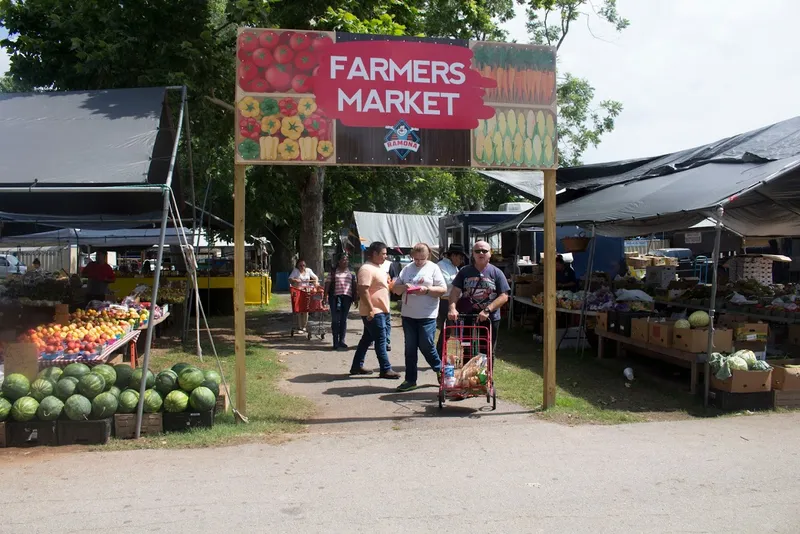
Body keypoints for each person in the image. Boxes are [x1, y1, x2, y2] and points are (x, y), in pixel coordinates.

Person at [392, 243, 446, 392]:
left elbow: (442, 289)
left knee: (426, 344)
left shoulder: (433, 268)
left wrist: (427, 290)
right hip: (408, 315)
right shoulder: (407, 269)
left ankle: (439, 369)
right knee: (410, 348)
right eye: (415, 259)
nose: (418, 262)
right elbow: (395, 289)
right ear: (412, 256)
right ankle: (410, 380)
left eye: (421, 259)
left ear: (427, 256)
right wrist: (405, 287)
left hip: (427, 314)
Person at [447, 241, 510, 355]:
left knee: (486, 350)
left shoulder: (496, 273)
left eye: (484, 251)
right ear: (473, 254)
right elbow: (455, 292)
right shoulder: (464, 271)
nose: (481, 253)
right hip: (467, 315)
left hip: (489, 317)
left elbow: (504, 296)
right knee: (466, 347)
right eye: (477, 251)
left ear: (490, 254)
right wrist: (452, 308)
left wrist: (487, 310)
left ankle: (484, 372)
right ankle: (468, 372)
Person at [350, 241, 400, 379]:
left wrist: (391, 285)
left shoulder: (378, 268)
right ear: (374, 254)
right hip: (374, 312)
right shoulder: (366, 269)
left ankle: (356, 366)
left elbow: (383, 287)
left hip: (381, 310)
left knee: (366, 339)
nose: (386, 256)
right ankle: (385, 369)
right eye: (383, 254)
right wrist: (371, 309)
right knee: (381, 339)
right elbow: (363, 290)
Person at [436, 244, 467, 357]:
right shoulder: (441, 266)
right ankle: (439, 355)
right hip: (445, 300)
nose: (461, 260)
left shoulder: (454, 267)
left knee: (451, 331)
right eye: (460, 257)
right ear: (453, 255)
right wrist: (461, 280)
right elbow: (447, 284)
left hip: (455, 301)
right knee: (447, 330)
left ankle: (441, 355)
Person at [323, 252, 357, 351]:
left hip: (347, 298)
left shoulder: (351, 272)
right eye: (343, 259)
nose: (345, 261)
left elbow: (354, 286)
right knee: (335, 320)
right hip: (334, 298)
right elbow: (328, 283)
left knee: (343, 319)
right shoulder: (333, 272)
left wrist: (355, 298)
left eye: (346, 259)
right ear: (339, 261)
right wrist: (325, 296)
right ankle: (335, 342)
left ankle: (342, 340)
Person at [289, 258, 319, 334]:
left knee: (306, 309)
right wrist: (295, 280)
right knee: (299, 310)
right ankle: (299, 327)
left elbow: (315, 277)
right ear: (298, 266)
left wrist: (316, 282)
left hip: (307, 291)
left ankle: (304, 326)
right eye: (300, 265)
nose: (302, 267)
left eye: (304, 265)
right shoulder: (295, 271)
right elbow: (290, 278)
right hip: (298, 292)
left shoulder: (308, 270)